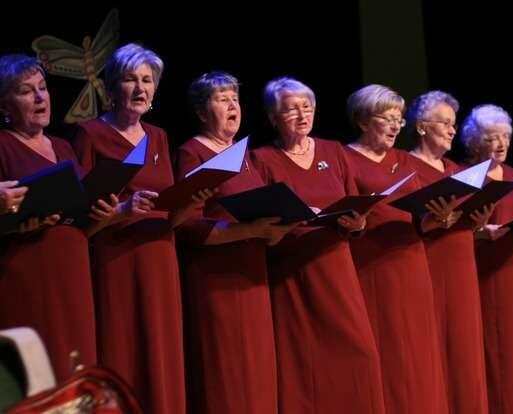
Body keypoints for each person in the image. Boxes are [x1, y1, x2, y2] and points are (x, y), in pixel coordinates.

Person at [72, 43, 204, 413]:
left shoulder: (158, 136)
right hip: (117, 258)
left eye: (148, 80)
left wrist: (192, 200)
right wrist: (123, 210)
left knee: (162, 351)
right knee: (124, 349)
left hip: (160, 257)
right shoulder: (89, 134)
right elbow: (77, 217)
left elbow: (169, 207)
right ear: (112, 87)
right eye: (131, 79)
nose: (141, 88)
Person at [251, 77, 385, 414]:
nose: (302, 115)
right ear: (273, 117)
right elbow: (260, 221)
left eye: (307, 107)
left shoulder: (333, 151)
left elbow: (356, 209)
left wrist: (358, 224)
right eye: (291, 109)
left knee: (360, 355)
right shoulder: (261, 159)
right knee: (305, 363)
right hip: (293, 272)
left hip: (337, 269)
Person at [175, 71, 294, 413]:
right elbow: (189, 226)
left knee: (258, 373)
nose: (232, 105)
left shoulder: (246, 156)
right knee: (229, 374)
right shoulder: (192, 152)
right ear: (201, 112)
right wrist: (253, 231)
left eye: (235, 99)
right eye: (222, 99)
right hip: (218, 280)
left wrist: (279, 227)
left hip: (254, 276)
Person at [0, 54, 116, 381]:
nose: (40, 97)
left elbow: (78, 222)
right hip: (28, 274)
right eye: (26, 91)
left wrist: (105, 216)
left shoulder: (64, 147)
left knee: (75, 368)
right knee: (38, 372)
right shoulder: (3, 145)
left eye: (43, 87)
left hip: (74, 272)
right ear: (4, 105)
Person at [344, 84, 446, 414]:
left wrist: (439, 216)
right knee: (386, 351)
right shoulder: (345, 158)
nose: (394, 126)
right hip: (373, 264)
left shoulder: (404, 159)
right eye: (386, 119)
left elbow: (420, 222)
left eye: (398, 120)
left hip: (412, 262)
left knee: (417, 353)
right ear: (363, 121)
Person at [405, 90, 491, 413]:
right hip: (429, 265)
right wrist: (436, 219)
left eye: (454, 124)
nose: (452, 130)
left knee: (464, 350)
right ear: (422, 127)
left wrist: (478, 219)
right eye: (445, 123)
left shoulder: (456, 169)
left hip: (462, 267)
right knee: (435, 347)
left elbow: (464, 217)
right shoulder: (406, 165)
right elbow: (411, 222)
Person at [458, 104, 513, 414]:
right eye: (492, 138)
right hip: (487, 271)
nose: (501, 143)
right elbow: (455, 228)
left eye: (505, 136)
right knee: (495, 348)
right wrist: (479, 233)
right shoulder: (465, 175)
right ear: (474, 142)